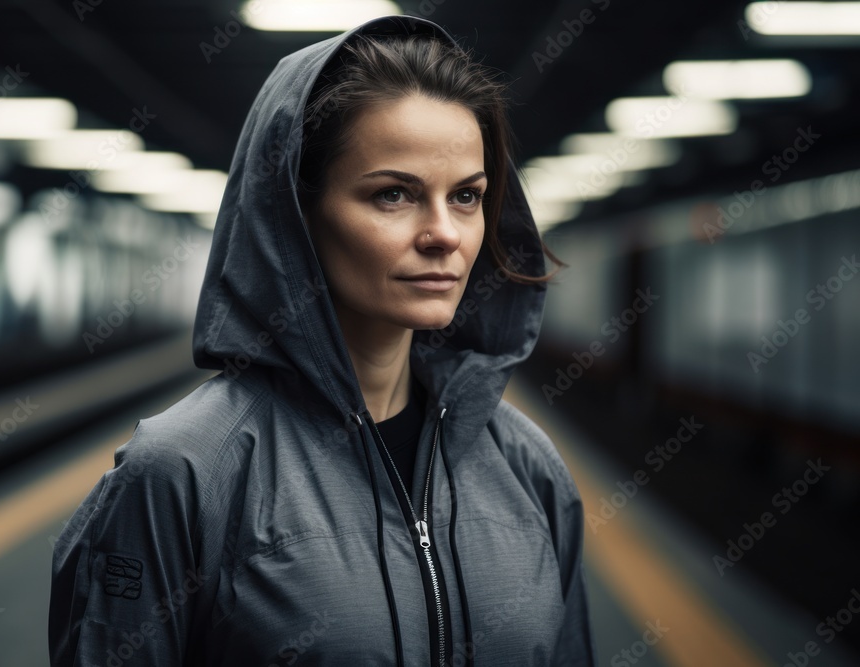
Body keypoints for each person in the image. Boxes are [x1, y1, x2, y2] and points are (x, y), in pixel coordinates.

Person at [49, 14, 596, 667]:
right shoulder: (182, 474)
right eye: (395, 194)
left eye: (468, 197)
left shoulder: (528, 468)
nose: (445, 233)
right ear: (295, 210)